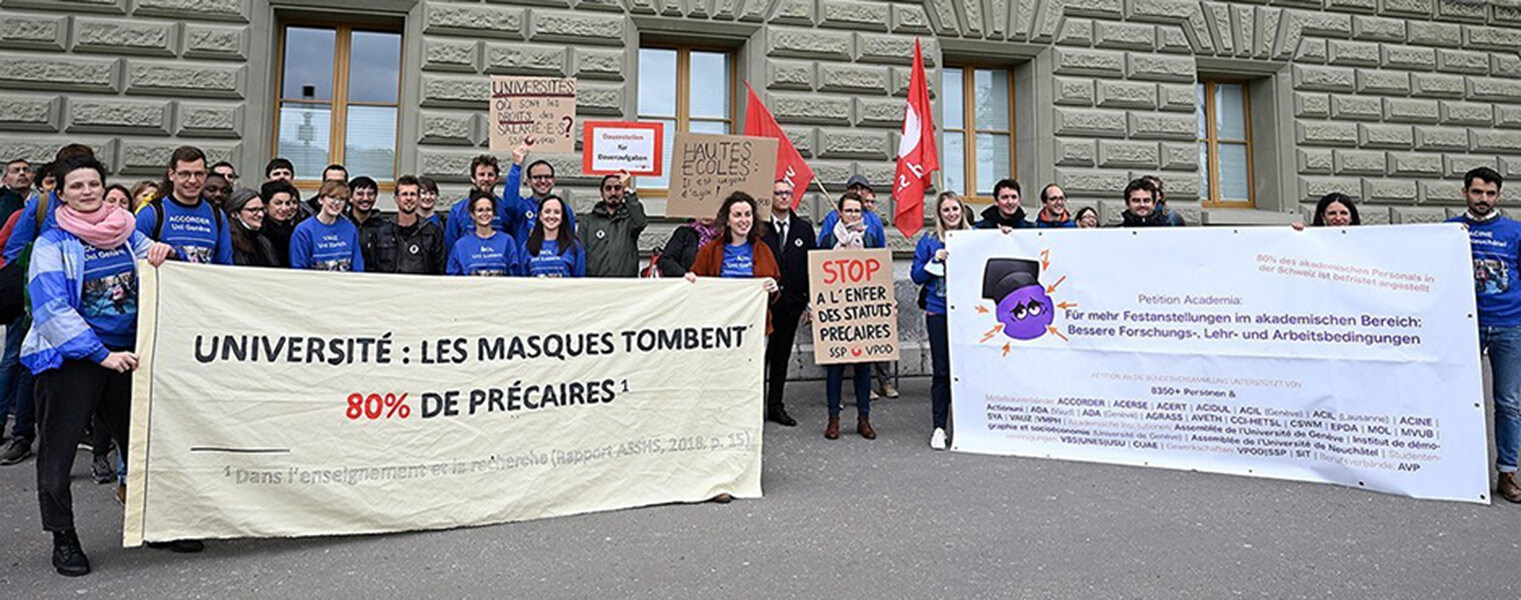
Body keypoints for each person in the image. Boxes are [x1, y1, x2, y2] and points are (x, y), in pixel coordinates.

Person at [22, 155, 178, 576]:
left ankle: (158, 523)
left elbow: (157, 261)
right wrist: (99, 354)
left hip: (128, 357)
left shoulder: (126, 231)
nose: (87, 192)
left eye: (93, 183)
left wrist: (164, 252)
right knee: (59, 450)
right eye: (77, 186)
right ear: (62, 193)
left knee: (143, 444)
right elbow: (51, 309)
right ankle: (64, 537)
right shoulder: (51, 244)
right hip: (73, 360)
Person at [1447, 167, 1521, 503]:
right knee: (1459, 399)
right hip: (1464, 325)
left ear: (1498, 196)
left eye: (1490, 194)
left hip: (1509, 325)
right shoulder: (1448, 231)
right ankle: (1462, 470)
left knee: (1508, 403)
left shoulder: (1514, 232)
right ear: (1465, 192)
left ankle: (1507, 471)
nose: (1483, 199)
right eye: (1477, 192)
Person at [817, 193, 881, 440]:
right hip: (836, 311)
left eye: (857, 211)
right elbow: (818, 270)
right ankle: (833, 419)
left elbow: (880, 272)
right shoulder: (829, 237)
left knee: (863, 368)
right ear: (840, 213)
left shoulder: (871, 237)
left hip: (862, 311)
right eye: (849, 211)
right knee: (835, 368)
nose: (853, 215)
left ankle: (863, 419)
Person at [912, 191, 970, 450]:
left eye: (955, 209)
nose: (951, 214)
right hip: (938, 312)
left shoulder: (974, 237)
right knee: (942, 370)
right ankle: (939, 427)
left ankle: (967, 426)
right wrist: (933, 260)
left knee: (967, 370)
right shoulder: (929, 241)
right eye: (946, 210)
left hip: (968, 315)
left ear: (962, 211)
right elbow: (916, 276)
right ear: (939, 214)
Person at [760, 179, 815, 426]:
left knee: (781, 358)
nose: (783, 197)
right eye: (778, 193)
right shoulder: (759, 228)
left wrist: (810, 300)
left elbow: (812, 268)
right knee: (759, 357)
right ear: (770, 197)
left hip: (791, 304)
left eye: (787, 193)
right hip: (763, 304)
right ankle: (754, 406)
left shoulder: (803, 229)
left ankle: (776, 406)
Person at [135, 146, 233, 264]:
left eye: (199, 174)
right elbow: (135, 261)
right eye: (185, 174)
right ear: (172, 175)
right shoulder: (151, 214)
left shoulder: (217, 216)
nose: (192, 180)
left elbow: (225, 266)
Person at [362, 175, 446, 275]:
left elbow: (440, 269)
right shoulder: (381, 232)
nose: (409, 198)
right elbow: (371, 268)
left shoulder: (433, 232)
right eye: (404, 194)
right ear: (396, 199)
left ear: (419, 198)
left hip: (422, 289)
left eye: (413, 194)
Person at [501, 143, 577, 247]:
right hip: (526, 262)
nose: (543, 181)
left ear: (553, 181)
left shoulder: (564, 209)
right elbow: (509, 201)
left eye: (547, 177)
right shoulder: (522, 207)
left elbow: (570, 239)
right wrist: (516, 166)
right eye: (537, 177)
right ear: (528, 182)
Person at [580, 172, 646, 278]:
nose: (613, 192)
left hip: (625, 284)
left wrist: (628, 190)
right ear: (602, 193)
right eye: (608, 188)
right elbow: (580, 253)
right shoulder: (588, 221)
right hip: (595, 285)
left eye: (618, 188)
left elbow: (641, 222)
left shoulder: (630, 219)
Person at [290, 180, 364, 272]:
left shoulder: (350, 228)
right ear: (320, 199)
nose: (337, 203)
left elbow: (358, 267)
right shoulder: (304, 230)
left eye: (342, 199)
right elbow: (298, 268)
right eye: (332, 197)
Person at [448, 190, 521, 276]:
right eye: (480, 210)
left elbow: (515, 275)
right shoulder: (461, 245)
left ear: (494, 213)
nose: (484, 214)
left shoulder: (507, 241)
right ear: (472, 214)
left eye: (488, 210)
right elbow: (452, 279)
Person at [445, 154, 505, 251]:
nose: (486, 179)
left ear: (496, 179)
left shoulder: (505, 209)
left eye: (490, 175)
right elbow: (450, 247)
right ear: (473, 178)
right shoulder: (458, 210)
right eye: (481, 174)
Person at [815, 174, 886, 248]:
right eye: (854, 188)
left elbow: (881, 249)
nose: (858, 193)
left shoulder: (874, 220)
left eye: (862, 189)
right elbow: (822, 247)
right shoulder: (833, 217)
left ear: (868, 192)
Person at [522, 196, 584, 277]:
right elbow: (522, 282)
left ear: (562, 217)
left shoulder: (575, 246)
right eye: (547, 211)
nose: (551, 216)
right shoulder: (527, 246)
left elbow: (580, 282)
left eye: (557, 212)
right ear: (540, 216)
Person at [225, 188, 279, 267]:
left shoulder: (263, 242)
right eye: (253, 210)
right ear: (235, 214)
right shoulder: (228, 241)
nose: (260, 214)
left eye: (262, 209)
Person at [259, 180, 300, 267]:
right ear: (265, 206)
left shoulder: (292, 229)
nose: (284, 208)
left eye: (288, 203)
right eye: (278, 203)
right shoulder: (259, 231)